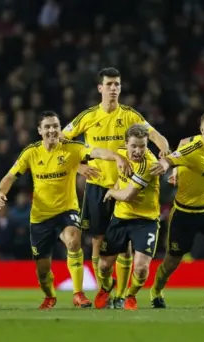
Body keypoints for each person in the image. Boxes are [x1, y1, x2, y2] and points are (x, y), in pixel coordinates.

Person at [0, 111, 131, 309]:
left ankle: (78, 293)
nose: (52, 130)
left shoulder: (72, 148)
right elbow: (9, 177)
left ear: (60, 129)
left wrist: (117, 157)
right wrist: (1, 193)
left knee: (74, 240)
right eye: (48, 127)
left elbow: (97, 152)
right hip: (41, 216)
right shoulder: (31, 152)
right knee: (43, 270)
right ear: (40, 131)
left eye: (55, 126)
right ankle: (50, 295)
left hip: (66, 211)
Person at [63, 67, 171, 308]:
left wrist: (165, 153)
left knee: (125, 248)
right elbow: (61, 142)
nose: (113, 88)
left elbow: (156, 135)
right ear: (100, 88)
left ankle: (120, 295)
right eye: (109, 84)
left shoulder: (131, 115)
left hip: (125, 186)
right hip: (98, 187)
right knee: (97, 243)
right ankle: (105, 287)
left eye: (117, 84)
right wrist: (78, 167)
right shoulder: (88, 117)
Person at [148, 111, 204, 309]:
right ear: (202, 130)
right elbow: (171, 158)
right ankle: (156, 289)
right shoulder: (193, 149)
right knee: (172, 260)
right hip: (184, 212)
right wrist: (164, 166)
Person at [94, 124, 161, 310]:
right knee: (104, 267)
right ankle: (107, 287)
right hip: (121, 217)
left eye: (143, 146)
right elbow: (96, 152)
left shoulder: (148, 164)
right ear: (126, 144)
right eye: (134, 146)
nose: (138, 151)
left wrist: (111, 192)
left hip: (145, 220)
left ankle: (130, 296)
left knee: (141, 267)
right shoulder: (120, 152)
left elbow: (127, 196)